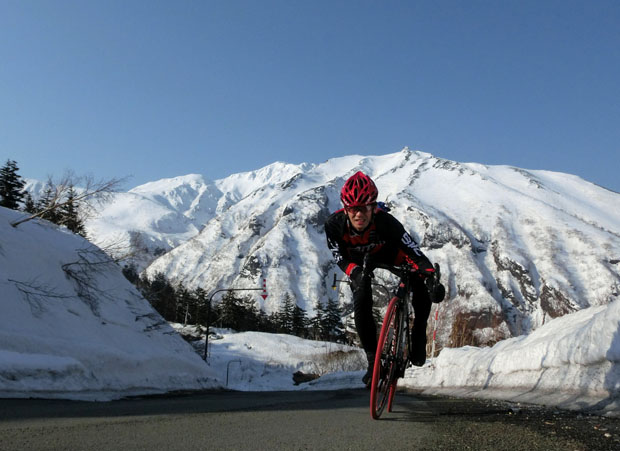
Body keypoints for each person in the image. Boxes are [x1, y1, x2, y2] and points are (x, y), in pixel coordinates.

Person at [324, 171, 445, 386]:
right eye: (353, 209)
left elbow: (415, 253)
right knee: (361, 296)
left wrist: (430, 279)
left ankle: (418, 333)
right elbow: (339, 257)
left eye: (365, 208)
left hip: (391, 254)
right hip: (359, 262)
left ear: (373, 207)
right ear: (345, 208)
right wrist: (354, 271)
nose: (359, 214)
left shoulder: (387, 222)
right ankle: (373, 361)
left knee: (418, 279)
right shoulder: (334, 225)